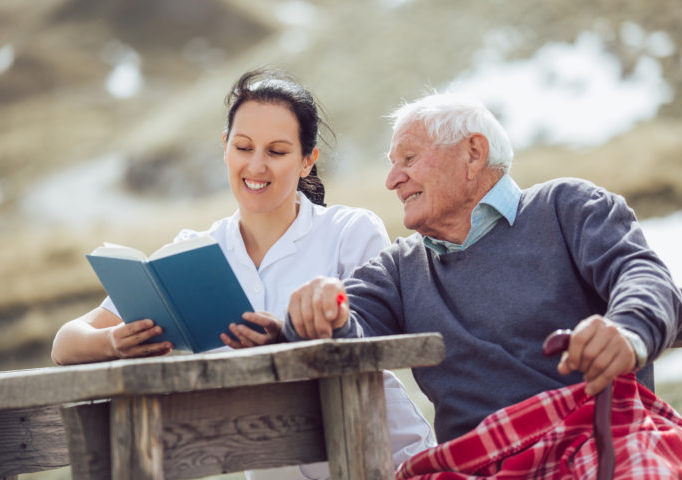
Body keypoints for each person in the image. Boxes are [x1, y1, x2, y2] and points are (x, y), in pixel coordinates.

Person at [282, 93, 682, 477]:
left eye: (409, 159)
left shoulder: (567, 206)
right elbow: (350, 322)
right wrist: (324, 310)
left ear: (473, 154)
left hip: (593, 436)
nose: (392, 178)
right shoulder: (401, 267)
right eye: (392, 164)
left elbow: (644, 276)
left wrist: (627, 330)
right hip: (475, 466)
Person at [50, 68, 435, 479]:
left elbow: (370, 343)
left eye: (277, 151)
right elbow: (65, 343)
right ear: (225, 148)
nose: (256, 165)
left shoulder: (350, 232)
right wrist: (115, 341)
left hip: (382, 460)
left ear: (307, 161)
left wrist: (288, 338)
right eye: (244, 147)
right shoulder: (191, 251)